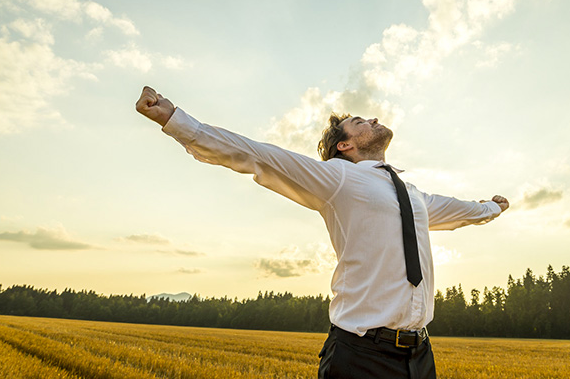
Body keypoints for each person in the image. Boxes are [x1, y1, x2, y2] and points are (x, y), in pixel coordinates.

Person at [136, 85, 509, 379]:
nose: (373, 119)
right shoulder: (338, 178)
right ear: (344, 145)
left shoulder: (413, 196)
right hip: (362, 356)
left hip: (420, 355)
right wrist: (174, 120)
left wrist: (491, 207)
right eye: (361, 121)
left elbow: (460, 209)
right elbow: (259, 156)